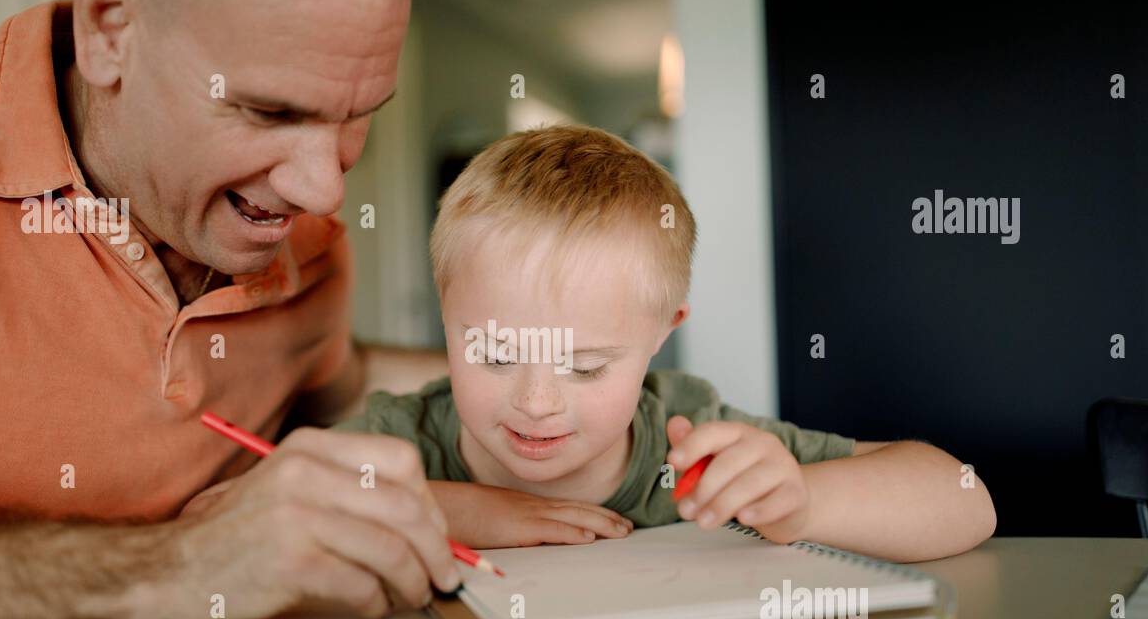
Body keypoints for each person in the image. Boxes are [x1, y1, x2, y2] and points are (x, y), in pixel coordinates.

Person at [0, 0, 466, 619]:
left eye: (358, 114)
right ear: (111, 28)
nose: (323, 191)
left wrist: (610, 399)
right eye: (269, 111)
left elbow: (347, 382)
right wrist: (179, 567)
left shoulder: (305, 253)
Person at [335, 125, 998, 561]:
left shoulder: (688, 439)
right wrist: (447, 510)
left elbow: (965, 498)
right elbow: (268, 505)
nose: (536, 402)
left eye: (585, 366)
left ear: (664, 330)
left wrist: (805, 498)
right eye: (496, 354)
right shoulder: (402, 439)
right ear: (445, 313)